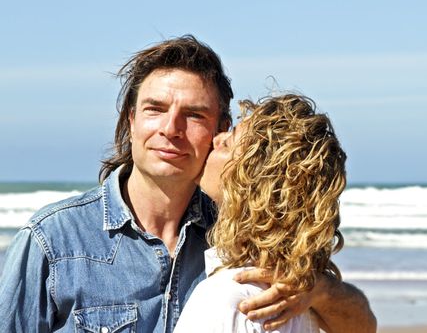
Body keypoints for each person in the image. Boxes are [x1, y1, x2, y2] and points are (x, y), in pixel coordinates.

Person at [0, 35, 376, 332]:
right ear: (131, 121)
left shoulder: (244, 234)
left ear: (220, 132)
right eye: (155, 109)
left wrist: (320, 290)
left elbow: (360, 326)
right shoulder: (54, 239)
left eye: (194, 115)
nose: (170, 129)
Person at [173, 94, 367, 332]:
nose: (215, 139)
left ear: (251, 185)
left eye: (228, 143)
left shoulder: (224, 298)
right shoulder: (307, 305)